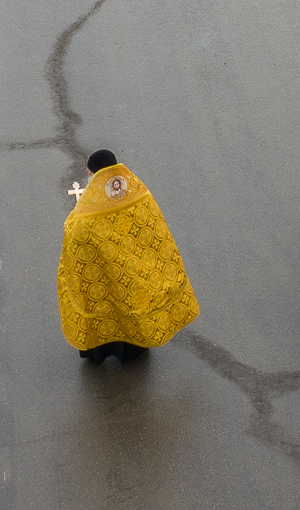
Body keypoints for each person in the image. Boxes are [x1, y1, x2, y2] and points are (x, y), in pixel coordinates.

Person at [58, 149, 200, 364]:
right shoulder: (141, 197)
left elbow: (75, 237)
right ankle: (134, 348)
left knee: (104, 304)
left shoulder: (86, 217)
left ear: (92, 174)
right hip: (135, 278)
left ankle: (100, 352)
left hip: (105, 279)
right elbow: (156, 232)